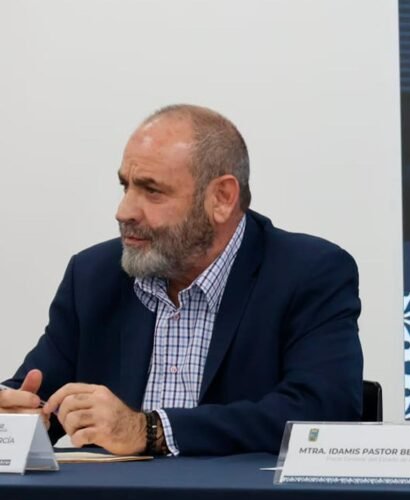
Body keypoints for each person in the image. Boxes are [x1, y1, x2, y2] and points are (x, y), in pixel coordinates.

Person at [0, 105, 363, 456]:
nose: (124, 211)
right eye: (126, 186)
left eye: (152, 190)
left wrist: (150, 431)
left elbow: (323, 412)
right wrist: (15, 422)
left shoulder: (308, 273)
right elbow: (35, 396)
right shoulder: (94, 276)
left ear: (222, 198)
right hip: (113, 492)